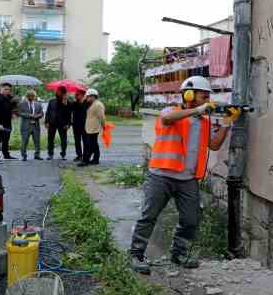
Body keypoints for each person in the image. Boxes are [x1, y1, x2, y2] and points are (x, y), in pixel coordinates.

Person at [128, 76, 241, 274]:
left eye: (208, 97)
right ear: (188, 95)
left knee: (191, 219)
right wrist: (197, 110)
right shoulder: (170, 111)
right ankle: (136, 254)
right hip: (160, 176)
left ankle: (178, 253)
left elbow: (214, 145)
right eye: (203, 96)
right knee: (148, 216)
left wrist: (226, 124)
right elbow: (166, 120)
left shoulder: (204, 122)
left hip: (187, 179)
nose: (207, 100)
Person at [78, 89, 105, 167]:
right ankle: (95, 159)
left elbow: (101, 117)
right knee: (94, 144)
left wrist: (104, 126)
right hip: (89, 127)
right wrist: (84, 99)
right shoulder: (91, 103)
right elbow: (82, 105)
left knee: (89, 145)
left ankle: (85, 160)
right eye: (87, 96)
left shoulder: (98, 104)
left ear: (93, 96)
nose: (87, 98)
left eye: (88, 96)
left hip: (94, 128)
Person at [0, 82, 17, 163]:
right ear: (0, 89)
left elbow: (12, 108)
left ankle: (6, 154)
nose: (7, 91)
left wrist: (14, 102)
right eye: (5, 89)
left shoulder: (10, 98)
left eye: (9, 90)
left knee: (6, 139)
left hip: (7, 122)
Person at [44, 86, 72, 160]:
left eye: (58, 91)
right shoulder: (52, 101)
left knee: (64, 140)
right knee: (50, 139)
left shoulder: (67, 102)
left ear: (63, 92)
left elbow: (69, 114)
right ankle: (50, 154)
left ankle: (63, 153)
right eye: (56, 91)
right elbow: (48, 112)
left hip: (62, 124)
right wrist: (46, 121)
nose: (56, 92)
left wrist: (68, 124)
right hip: (52, 123)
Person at [18, 90, 44, 161]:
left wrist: (37, 116)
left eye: (33, 96)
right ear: (27, 96)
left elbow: (41, 113)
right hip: (26, 126)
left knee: (37, 141)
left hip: (36, 126)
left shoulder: (38, 104)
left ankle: (37, 155)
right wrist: (30, 115)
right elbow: (19, 113)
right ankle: (24, 156)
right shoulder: (22, 104)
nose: (32, 98)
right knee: (24, 141)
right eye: (31, 96)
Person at [71, 89, 88, 161]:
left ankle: (85, 156)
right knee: (77, 141)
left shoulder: (87, 103)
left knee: (85, 141)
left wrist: (82, 102)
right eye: (75, 94)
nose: (75, 96)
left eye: (77, 94)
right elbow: (68, 108)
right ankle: (79, 155)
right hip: (76, 125)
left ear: (82, 95)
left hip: (85, 125)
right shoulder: (74, 103)